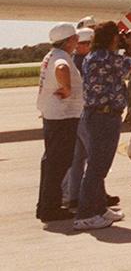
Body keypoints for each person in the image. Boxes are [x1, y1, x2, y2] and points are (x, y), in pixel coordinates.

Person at [75, 22, 131, 231]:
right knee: (97, 168)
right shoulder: (108, 58)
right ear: (113, 38)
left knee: (97, 166)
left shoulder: (92, 56)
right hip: (104, 118)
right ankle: (85, 215)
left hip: (94, 115)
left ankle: (99, 208)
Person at [35, 23, 83, 223]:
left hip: (53, 115)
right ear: (69, 40)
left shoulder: (51, 55)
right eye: (75, 38)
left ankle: (44, 205)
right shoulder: (61, 58)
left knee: (51, 162)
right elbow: (61, 69)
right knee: (59, 163)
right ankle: (50, 208)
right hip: (63, 117)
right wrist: (67, 88)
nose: (77, 41)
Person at [61, 27, 95, 211]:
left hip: (75, 114)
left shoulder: (73, 60)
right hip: (82, 114)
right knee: (94, 155)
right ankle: (94, 194)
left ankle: (73, 195)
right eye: (85, 43)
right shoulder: (86, 62)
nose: (87, 46)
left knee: (78, 157)